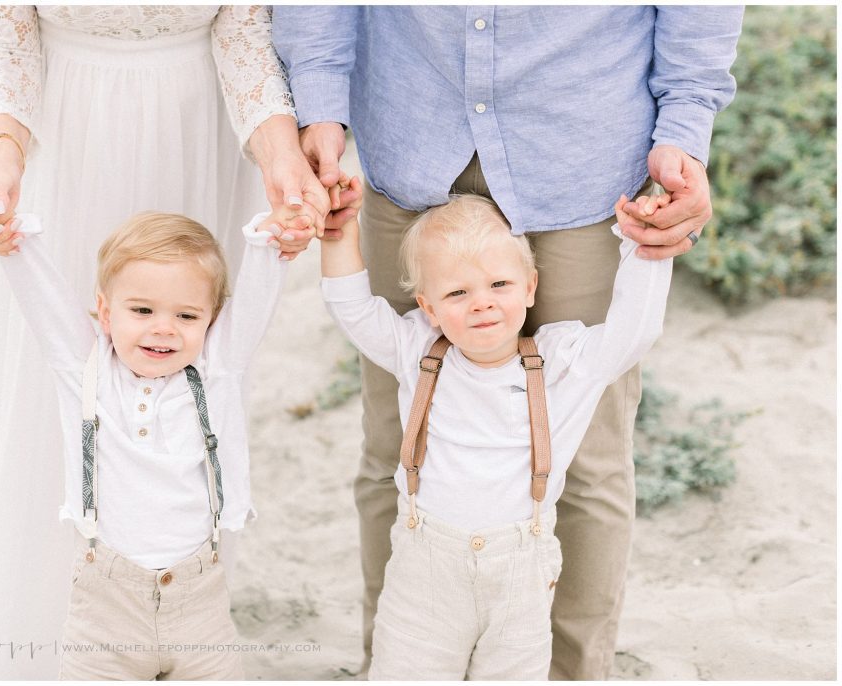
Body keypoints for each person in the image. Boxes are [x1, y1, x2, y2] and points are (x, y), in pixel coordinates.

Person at [273, 6, 744, 678]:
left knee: (584, 464)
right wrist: (319, 101)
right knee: (397, 447)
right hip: (411, 125)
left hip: (584, 149)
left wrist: (686, 127)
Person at [0, 6, 328, 679]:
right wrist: (2, 159)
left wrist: (280, 156)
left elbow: (242, 32)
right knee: (60, 366)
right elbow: (4, 38)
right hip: (64, 126)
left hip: (198, 125)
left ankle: (181, 595)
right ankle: (47, 618)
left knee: (195, 349)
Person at [320, 186, 673, 679]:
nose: (481, 304)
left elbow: (633, 332)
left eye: (499, 285)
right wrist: (337, 233)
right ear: (428, 306)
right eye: (457, 293)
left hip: (520, 579)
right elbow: (353, 309)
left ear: (531, 287)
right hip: (424, 573)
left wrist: (645, 248)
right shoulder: (416, 351)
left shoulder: (563, 361)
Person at [0, 189, 311, 678]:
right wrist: (15, 243)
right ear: (105, 313)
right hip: (105, 609)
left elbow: (251, 310)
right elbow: (47, 308)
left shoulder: (216, 370)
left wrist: (272, 244)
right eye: (142, 311)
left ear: (210, 320)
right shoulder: (87, 369)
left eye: (186, 316)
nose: (164, 328)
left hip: (199, 606)